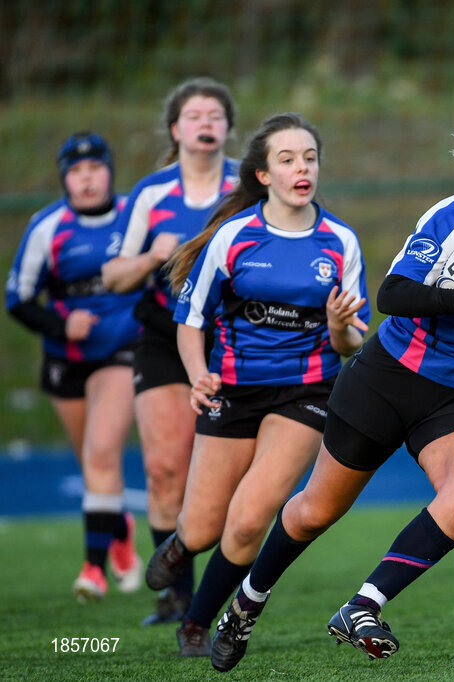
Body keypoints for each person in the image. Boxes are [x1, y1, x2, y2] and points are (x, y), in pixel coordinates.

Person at [207, 109, 454, 672]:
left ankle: (363, 606)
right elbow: (393, 294)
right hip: (387, 379)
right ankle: (244, 606)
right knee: (314, 512)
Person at [140, 113, 371, 657]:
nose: (302, 168)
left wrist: (340, 328)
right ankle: (183, 544)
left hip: (307, 392)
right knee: (200, 529)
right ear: (264, 175)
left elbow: (352, 340)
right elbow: (191, 319)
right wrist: (198, 374)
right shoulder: (232, 237)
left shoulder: (339, 241)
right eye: (287, 159)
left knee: (246, 523)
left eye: (310, 157)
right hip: (234, 391)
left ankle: (197, 624)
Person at [101, 77, 239, 625]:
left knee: (224, 479)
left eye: (214, 115)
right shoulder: (151, 194)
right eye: (194, 115)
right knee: (163, 468)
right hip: (163, 335)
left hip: (232, 337)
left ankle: (221, 589)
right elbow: (112, 275)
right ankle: (177, 593)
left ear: (228, 129)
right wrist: (148, 258)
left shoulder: (248, 188)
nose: (205, 123)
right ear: (176, 129)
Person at [6, 132, 142, 602]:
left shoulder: (134, 217)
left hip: (122, 351)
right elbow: (18, 299)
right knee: (92, 463)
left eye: (95, 168)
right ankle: (119, 529)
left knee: (103, 452)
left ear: (109, 171)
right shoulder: (48, 227)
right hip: (66, 359)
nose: (87, 178)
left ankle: (93, 569)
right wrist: (62, 327)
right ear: (65, 179)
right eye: (76, 171)